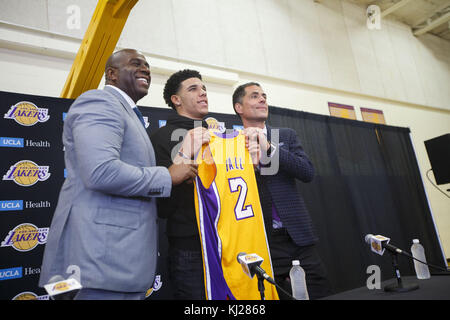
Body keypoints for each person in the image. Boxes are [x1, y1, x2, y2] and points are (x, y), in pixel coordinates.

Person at [38, 49, 198, 300]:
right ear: (111, 74)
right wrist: (167, 176)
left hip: (120, 263)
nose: (146, 69)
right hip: (98, 263)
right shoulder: (99, 102)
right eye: (136, 64)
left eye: (147, 66)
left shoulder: (127, 113)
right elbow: (100, 171)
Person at [232, 82, 332, 300]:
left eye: (264, 96)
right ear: (239, 107)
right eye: (255, 96)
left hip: (299, 236)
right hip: (264, 240)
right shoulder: (232, 144)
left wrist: (269, 147)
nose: (262, 99)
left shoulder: (285, 136)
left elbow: (307, 172)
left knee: (319, 290)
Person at [150, 69, 210, 300]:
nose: (203, 93)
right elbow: (161, 205)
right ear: (176, 100)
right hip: (189, 248)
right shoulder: (160, 138)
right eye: (193, 89)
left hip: (225, 241)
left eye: (204, 88)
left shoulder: (217, 136)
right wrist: (183, 156)